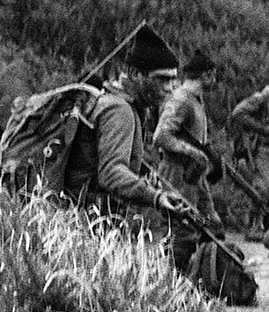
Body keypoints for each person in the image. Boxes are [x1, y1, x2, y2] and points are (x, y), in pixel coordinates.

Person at [46, 25, 187, 224]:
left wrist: (149, 185)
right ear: (135, 73)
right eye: (162, 79)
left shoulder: (115, 102)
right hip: (85, 223)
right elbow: (111, 173)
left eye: (173, 80)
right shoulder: (119, 110)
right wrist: (156, 198)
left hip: (78, 218)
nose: (169, 88)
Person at [152, 51, 223, 272]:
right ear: (208, 75)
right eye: (213, 75)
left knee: (211, 226)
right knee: (181, 232)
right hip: (177, 173)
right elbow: (161, 136)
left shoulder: (194, 100)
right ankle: (170, 283)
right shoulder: (181, 99)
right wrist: (193, 153)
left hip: (193, 176)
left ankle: (200, 280)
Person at [224, 69, 269, 230]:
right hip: (262, 149)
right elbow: (238, 113)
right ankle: (254, 224)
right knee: (263, 188)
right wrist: (262, 128)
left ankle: (268, 227)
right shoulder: (263, 99)